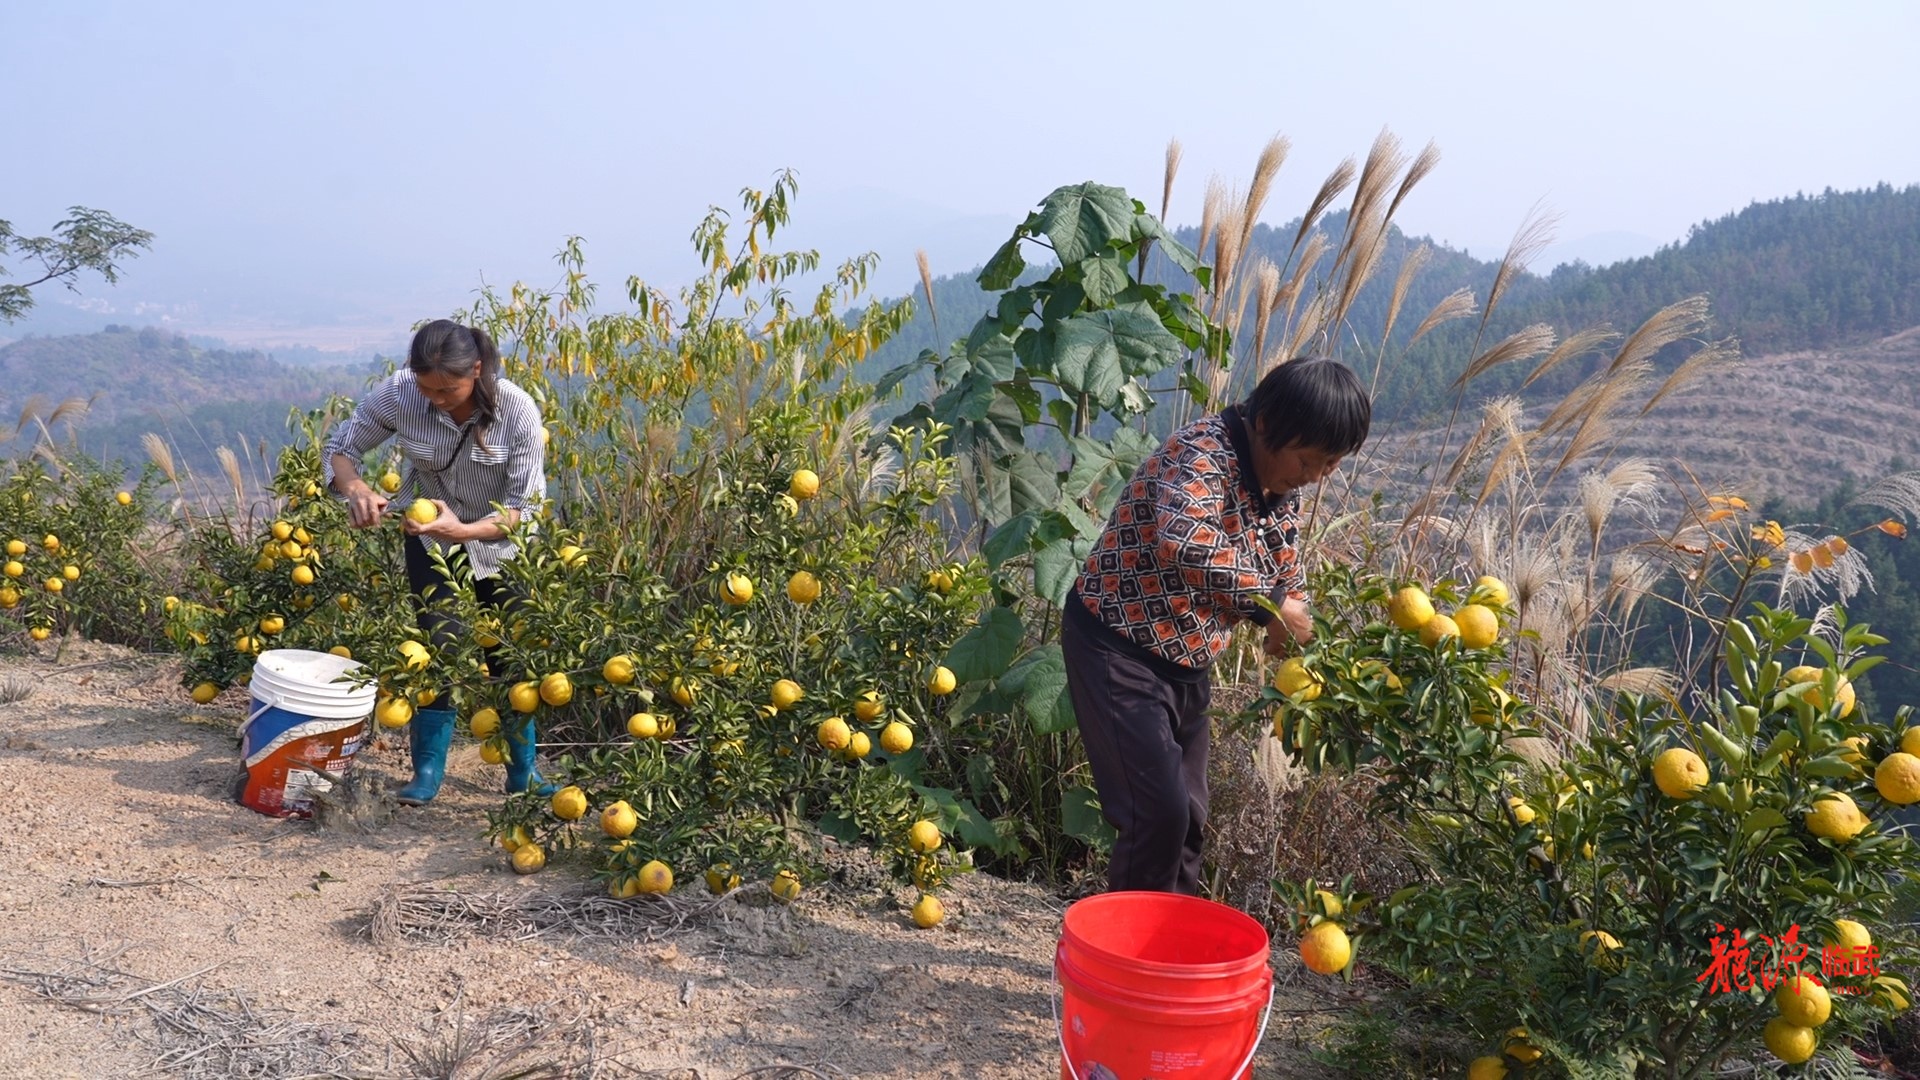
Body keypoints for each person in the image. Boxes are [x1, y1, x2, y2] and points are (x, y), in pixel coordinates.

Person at [1061, 356, 1371, 895]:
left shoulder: (1280, 490)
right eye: (1309, 459)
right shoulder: (1201, 452)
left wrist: (1298, 620)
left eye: (1330, 465)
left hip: (1186, 665)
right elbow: (1182, 537)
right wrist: (1270, 607)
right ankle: (1136, 960)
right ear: (1266, 424)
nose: (1315, 476)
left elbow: (1286, 569)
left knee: (1188, 819)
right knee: (1156, 812)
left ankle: (1168, 945)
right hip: (1117, 649)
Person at [323, 319, 550, 805]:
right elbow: (342, 448)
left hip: (503, 547)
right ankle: (426, 773)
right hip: (430, 542)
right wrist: (357, 490)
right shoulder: (401, 394)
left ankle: (522, 772)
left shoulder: (516, 409)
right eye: (428, 389)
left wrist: (465, 531)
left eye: (449, 389)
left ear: (477, 368)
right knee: (437, 650)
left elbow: (524, 508)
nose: (438, 399)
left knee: (510, 656)